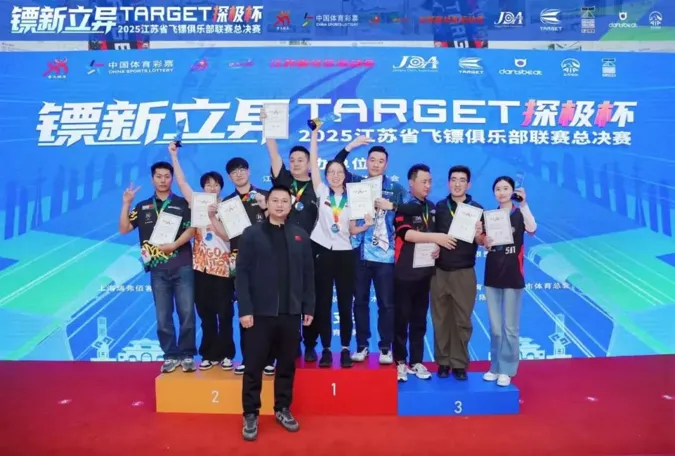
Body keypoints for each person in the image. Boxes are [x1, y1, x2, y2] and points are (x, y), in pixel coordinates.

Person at [236, 184, 315, 441]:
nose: (280, 205)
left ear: (290, 206)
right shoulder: (251, 234)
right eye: (275, 200)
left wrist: (308, 307)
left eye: (284, 201)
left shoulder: (300, 236)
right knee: (254, 366)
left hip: (290, 313)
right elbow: (242, 275)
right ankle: (250, 413)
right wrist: (245, 309)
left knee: (286, 365)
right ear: (267, 204)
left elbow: (308, 275)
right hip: (259, 313)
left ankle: (282, 408)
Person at [335, 137, 422, 364]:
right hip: (359, 252)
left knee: (387, 304)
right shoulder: (356, 183)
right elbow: (337, 166)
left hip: (385, 255)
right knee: (359, 302)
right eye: (372, 160)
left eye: (380, 161)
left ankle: (385, 348)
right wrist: (350, 146)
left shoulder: (395, 189)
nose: (375, 164)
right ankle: (362, 346)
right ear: (366, 162)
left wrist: (392, 206)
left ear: (386, 164)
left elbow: (416, 208)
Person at [118, 162, 197, 373]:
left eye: (167, 176)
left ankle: (187, 354)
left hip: (182, 265)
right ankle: (170, 355)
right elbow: (124, 229)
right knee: (163, 316)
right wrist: (126, 203)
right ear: (152, 179)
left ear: (172, 179)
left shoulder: (182, 203)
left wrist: (174, 245)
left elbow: (192, 230)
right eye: (159, 176)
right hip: (157, 269)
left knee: (187, 313)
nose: (163, 180)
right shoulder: (142, 206)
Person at [168, 142, 236, 371]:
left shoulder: (229, 206)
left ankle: (227, 354)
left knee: (225, 313)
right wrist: (174, 156)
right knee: (206, 313)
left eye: (215, 184)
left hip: (224, 267)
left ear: (221, 187)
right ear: (203, 187)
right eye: (208, 184)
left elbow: (229, 237)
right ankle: (209, 354)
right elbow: (182, 183)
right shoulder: (197, 203)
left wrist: (214, 218)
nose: (212, 187)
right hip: (201, 267)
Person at [261, 109, 319, 358]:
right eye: (292, 159)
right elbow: (273, 153)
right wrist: (267, 125)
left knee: (308, 295)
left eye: (300, 160)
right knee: (285, 296)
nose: (295, 163)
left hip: (309, 248)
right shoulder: (283, 181)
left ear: (309, 163)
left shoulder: (316, 185)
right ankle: (289, 345)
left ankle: (310, 344)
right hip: (280, 247)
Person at [393, 164, 456, 382]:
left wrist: (437, 245)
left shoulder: (432, 207)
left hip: (426, 273)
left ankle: (416, 361)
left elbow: (434, 234)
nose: (428, 185)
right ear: (411, 183)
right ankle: (400, 361)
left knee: (419, 319)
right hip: (404, 272)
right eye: (423, 181)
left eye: (429, 181)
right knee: (401, 319)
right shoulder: (404, 206)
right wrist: (435, 238)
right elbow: (406, 234)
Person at [302, 125, 356, 368]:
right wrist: (314, 135)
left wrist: (365, 225)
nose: (335, 175)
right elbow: (313, 163)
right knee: (322, 302)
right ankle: (325, 348)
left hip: (345, 253)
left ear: (345, 174)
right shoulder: (321, 191)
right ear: (326, 175)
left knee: (345, 303)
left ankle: (344, 348)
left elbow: (353, 229)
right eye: (331, 172)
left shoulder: (354, 196)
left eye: (339, 172)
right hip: (322, 250)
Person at [221, 157, 275, 376]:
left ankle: (269, 359)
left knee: (268, 311)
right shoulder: (227, 203)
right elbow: (226, 235)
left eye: (242, 169)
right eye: (234, 171)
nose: (239, 174)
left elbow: (279, 224)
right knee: (245, 310)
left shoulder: (265, 195)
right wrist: (212, 219)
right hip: (240, 263)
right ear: (230, 177)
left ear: (249, 171)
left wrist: (266, 207)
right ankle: (248, 358)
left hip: (267, 262)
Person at [431, 165, 485, 380]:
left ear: (468, 184)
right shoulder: (439, 207)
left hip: (464, 272)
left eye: (462, 180)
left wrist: (480, 234)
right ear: (448, 183)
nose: (457, 184)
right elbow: (431, 235)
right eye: (453, 179)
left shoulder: (477, 209)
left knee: (462, 320)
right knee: (440, 319)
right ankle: (443, 362)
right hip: (439, 272)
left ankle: (460, 363)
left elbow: (482, 241)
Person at [482, 176, 537, 387]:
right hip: (492, 275)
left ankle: (507, 369)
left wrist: (524, 204)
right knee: (496, 328)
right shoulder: (490, 216)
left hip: (513, 276)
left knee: (510, 328)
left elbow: (532, 229)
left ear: (512, 191)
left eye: (506, 188)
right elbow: (483, 241)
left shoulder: (519, 213)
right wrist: (485, 241)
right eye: (498, 189)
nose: (501, 192)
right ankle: (495, 367)